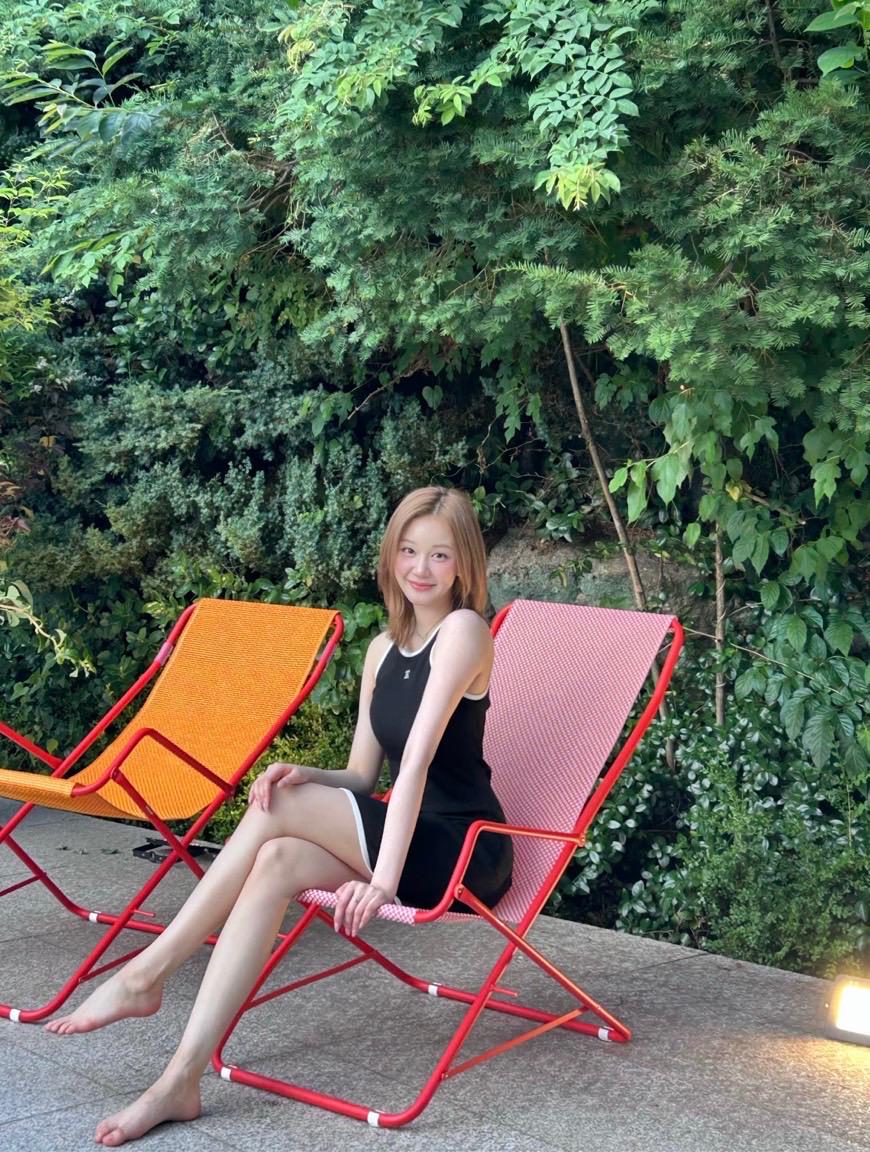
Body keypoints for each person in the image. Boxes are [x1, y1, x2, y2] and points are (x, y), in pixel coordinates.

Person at [45, 485, 513, 1147]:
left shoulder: (464, 631)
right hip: (406, 836)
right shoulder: (384, 650)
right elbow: (362, 776)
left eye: (440, 555)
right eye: (409, 550)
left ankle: (146, 973)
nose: (421, 568)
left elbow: (414, 767)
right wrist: (306, 773)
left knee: (282, 813)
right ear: (391, 554)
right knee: (275, 859)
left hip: (464, 851)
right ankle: (181, 1079)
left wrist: (382, 882)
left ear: (463, 564)